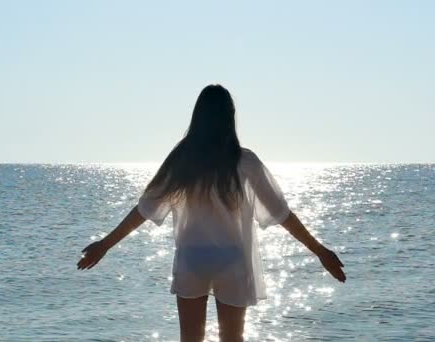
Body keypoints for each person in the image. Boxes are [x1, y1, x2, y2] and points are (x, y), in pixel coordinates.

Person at [77, 84, 346, 342]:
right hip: (233, 260)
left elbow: (144, 210)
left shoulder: (182, 159)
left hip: (192, 258)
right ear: (230, 118)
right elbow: (281, 214)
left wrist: (105, 245)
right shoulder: (245, 161)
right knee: (232, 339)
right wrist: (319, 250)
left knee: (190, 339)